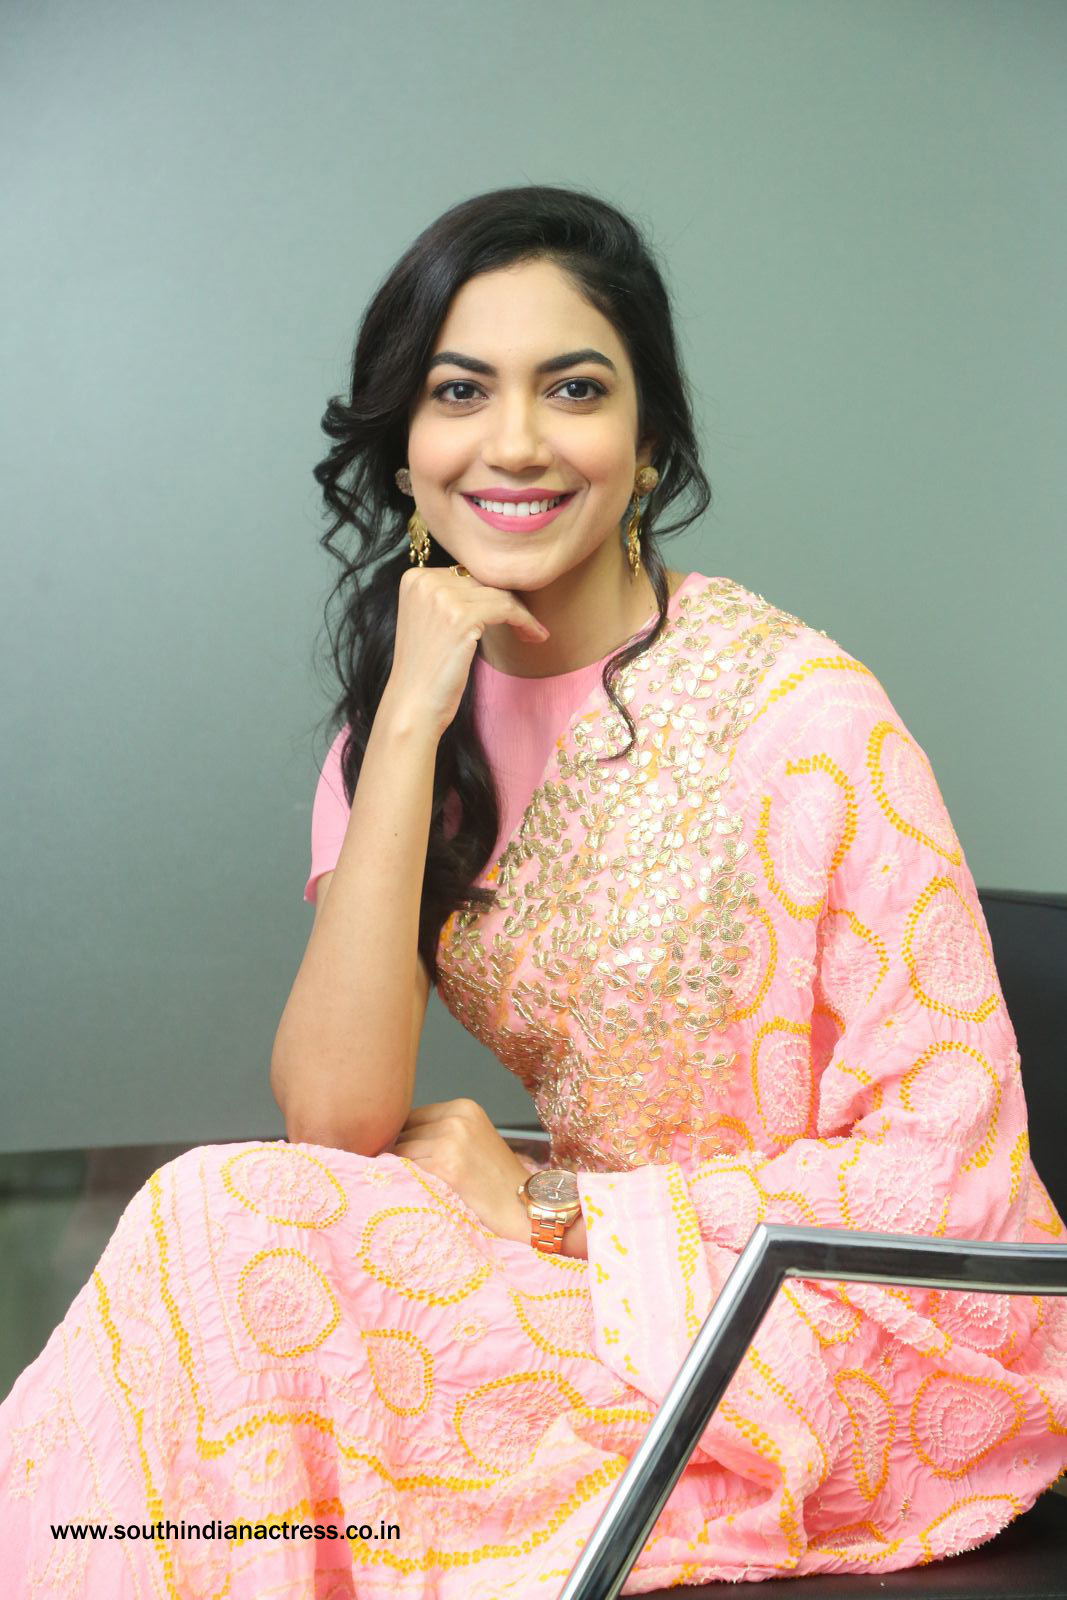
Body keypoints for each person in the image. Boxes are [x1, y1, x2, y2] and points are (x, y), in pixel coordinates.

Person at [1, 184, 1065, 1599]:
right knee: (226, 1225)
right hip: (587, 1298)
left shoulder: (804, 720)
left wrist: (562, 1208)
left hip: (824, 1333)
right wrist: (405, 721)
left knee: (236, 1282)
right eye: (460, 392)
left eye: (573, 389)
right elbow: (335, 1122)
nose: (514, 442)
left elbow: (954, 1175)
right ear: (405, 450)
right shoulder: (404, 736)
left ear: (649, 442)